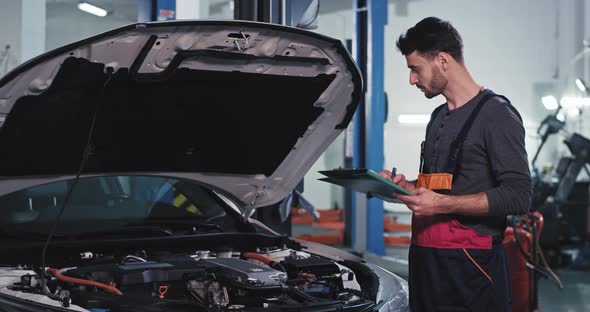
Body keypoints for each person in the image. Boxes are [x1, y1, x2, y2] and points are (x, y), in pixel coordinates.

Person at [380, 17, 532, 311]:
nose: (412, 79)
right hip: (425, 259)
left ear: (442, 61)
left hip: (471, 268)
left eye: (415, 68)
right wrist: (405, 187)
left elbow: (519, 194)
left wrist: (441, 206)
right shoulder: (437, 117)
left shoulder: (497, 115)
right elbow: (442, 187)